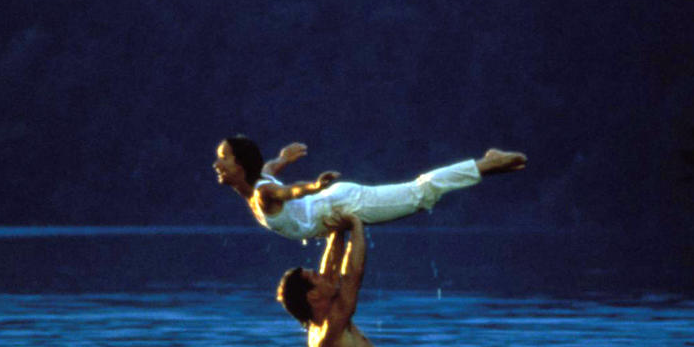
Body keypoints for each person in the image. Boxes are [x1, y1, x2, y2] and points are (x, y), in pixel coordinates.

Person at [213, 136, 526, 241]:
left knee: (418, 193)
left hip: (341, 205)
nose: (218, 165)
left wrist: (313, 186)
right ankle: (484, 168)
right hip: (334, 205)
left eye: (223, 158)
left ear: (239, 166)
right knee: (417, 196)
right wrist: (285, 157)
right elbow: (271, 167)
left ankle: (485, 164)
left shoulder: (263, 194)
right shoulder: (262, 179)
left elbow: (290, 191)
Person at [276, 215, 389, 347]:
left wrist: (336, 229)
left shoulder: (319, 324)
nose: (323, 275)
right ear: (313, 295)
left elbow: (331, 266)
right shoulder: (332, 326)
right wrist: (356, 224)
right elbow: (353, 274)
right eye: (316, 276)